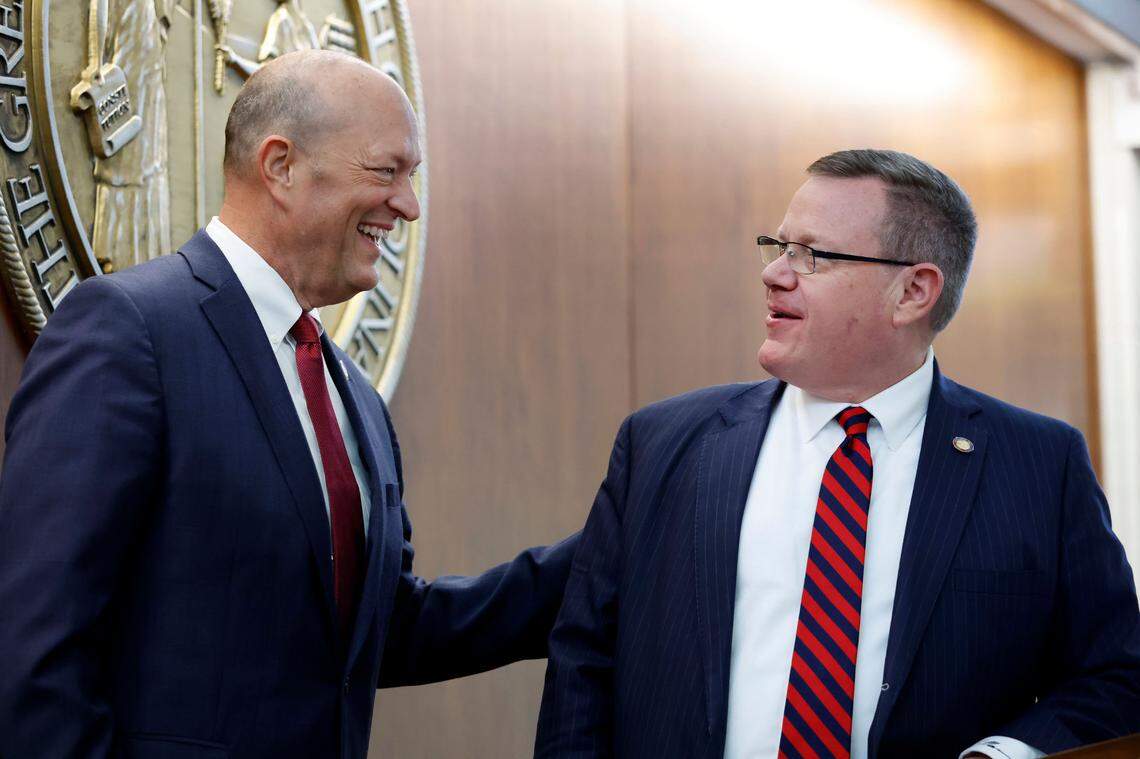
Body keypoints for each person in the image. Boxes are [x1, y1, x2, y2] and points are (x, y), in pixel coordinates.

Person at [0, 50, 574, 758]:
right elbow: (34, 641)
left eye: (412, 177)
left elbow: (381, 629)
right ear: (280, 166)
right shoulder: (129, 330)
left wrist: (610, 552)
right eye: (387, 170)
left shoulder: (353, 399)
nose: (409, 204)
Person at [535, 149, 1140, 759]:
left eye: (813, 257)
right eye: (778, 246)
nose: (774, 275)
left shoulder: (1039, 465)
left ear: (913, 291)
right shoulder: (663, 443)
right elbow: (583, 663)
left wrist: (1005, 754)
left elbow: (1116, 677)